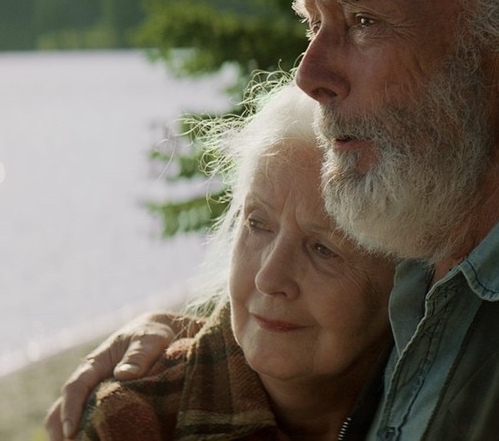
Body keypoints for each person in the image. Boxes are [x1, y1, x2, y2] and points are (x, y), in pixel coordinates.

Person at [47, 0, 499, 439]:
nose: (309, 75)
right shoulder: (423, 284)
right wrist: (196, 361)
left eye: (363, 21)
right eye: (313, 24)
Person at [73, 82, 394, 440]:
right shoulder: (134, 419)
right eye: (257, 224)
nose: (268, 278)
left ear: (404, 273)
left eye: (323, 248)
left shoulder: (448, 399)